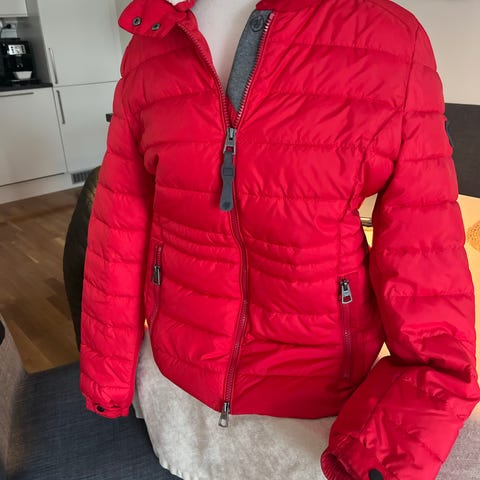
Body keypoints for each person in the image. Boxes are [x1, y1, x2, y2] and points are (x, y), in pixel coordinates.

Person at [79, 0, 480, 479]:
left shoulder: (388, 38)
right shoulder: (153, 43)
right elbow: (118, 228)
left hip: (319, 402)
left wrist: (392, 443)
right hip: (176, 380)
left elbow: (425, 252)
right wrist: (107, 377)